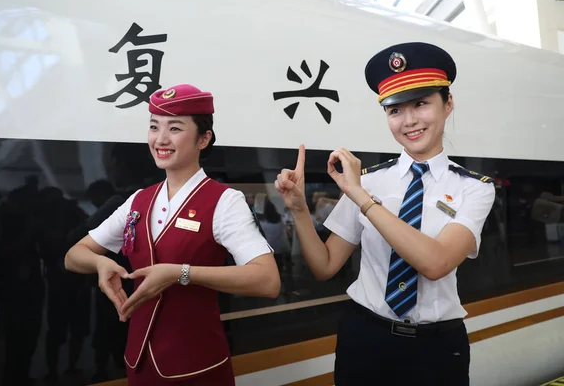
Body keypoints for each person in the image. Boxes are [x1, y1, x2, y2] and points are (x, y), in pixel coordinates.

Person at [274, 42, 496, 385]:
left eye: (421, 104)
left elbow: (436, 263)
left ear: (448, 104)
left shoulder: (474, 188)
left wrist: (362, 198)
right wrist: (300, 209)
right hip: (364, 338)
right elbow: (325, 265)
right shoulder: (367, 181)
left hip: (437, 348)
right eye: (394, 110)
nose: (408, 121)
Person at [64, 83, 280, 385]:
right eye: (154, 127)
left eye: (175, 128)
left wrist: (181, 273)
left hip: (197, 366)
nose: (160, 139)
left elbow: (267, 280)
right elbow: (74, 255)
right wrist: (100, 264)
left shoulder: (223, 201)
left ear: (204, 138)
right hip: (138, 364)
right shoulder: (138, 200)